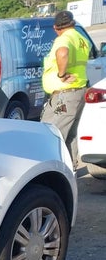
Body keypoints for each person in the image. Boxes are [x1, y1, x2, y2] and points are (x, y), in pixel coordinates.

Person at [41, 9, 90, 167]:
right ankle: (70, 169)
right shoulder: (82, 39)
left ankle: (51, 170)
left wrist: (61, 75)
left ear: (56, 28)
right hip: (78, 91)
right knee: (70, 135)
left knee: (51, 134)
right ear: (73, 24)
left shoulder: (64, 39)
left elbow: (62, 53)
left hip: (65, 94)